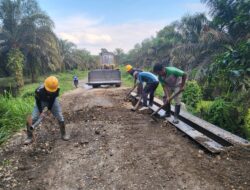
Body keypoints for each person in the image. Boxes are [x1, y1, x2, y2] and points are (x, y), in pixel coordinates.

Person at [24, 76, 70, 145]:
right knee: (33, 118)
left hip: (52, 102)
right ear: (45, 85)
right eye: (49, 90)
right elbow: (38, 101)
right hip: (40, 102)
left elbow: (52, 99)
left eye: (52, 91)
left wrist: (49, 109)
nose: (50, 92)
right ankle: (29, 137)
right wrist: (41, 111)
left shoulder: (56, 89)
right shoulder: (38, 91)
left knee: (60, 117)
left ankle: (63, 134)